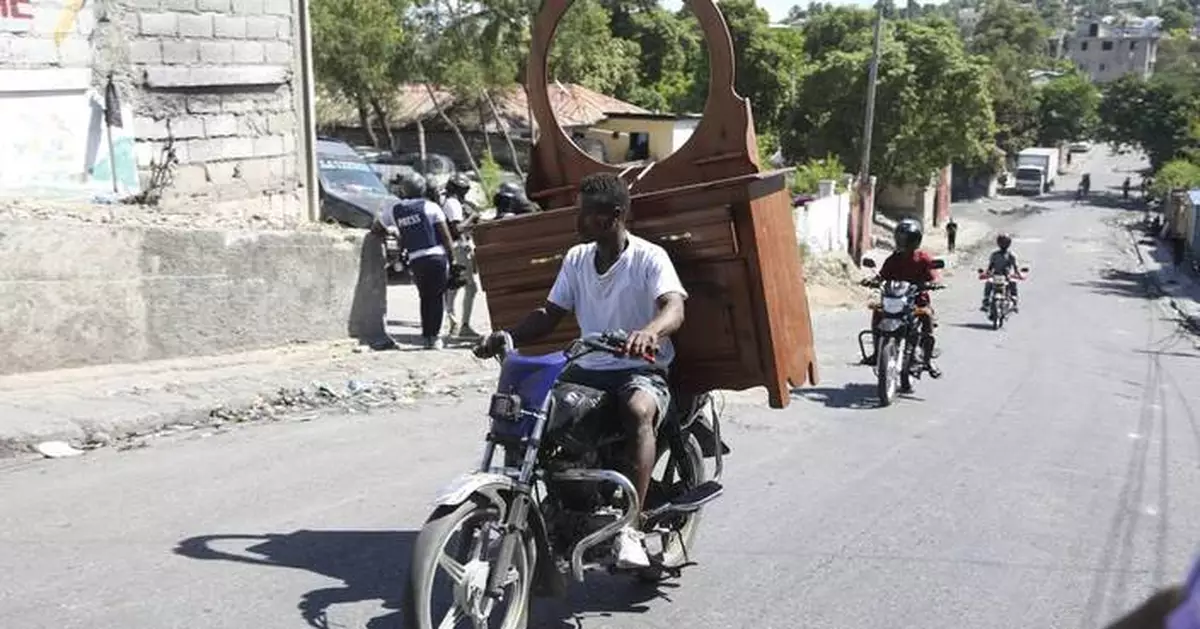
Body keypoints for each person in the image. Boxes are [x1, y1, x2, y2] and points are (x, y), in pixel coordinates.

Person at [474, 172, 687, 569]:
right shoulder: (577, 258)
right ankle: (558, 506)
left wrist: (650, 332)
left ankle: (631, 528)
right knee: (538, 415)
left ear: (614, 216)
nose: (578, 221)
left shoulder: (649, 257)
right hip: (588, 366)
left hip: (640, 368)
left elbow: (673, 306)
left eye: (587, 214)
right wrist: (508, 336)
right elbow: (549, 313)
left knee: (639, 410)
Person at [373, 172, 456, 350]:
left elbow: (376, 228)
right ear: (423, 189)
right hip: (436, 257)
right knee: (437, 297)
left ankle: (427, 336)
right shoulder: (431, 206)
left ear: (404, 190)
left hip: (416, 260)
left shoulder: (395, 210)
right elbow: (446, 237)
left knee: (425, 297)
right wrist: (454, 261)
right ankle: (434, 337)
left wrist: (393, 233)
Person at [860, 218, 942, 378]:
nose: (904, 243)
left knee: (926, 316)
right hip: (894, 300)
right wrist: (872, 280)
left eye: (908, 239)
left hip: (917, 300)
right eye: (901, 239)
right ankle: (877, 352)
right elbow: (882, 276)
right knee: (877, 312)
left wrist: (934, 283)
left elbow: (934, 275)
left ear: (916, 240)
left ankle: (927, 359)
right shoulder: (893, 259)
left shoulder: (923, 258)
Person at [441, 173, 481, 338]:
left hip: (458, 248)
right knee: (468, 287)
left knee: (455, 286)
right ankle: (461, 324)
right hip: (458, 248)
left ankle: (453, 321)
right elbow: (457, 229)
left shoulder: (451, 202)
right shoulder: (453, 204)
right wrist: (472, 216)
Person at [980, 233, 1023, 313]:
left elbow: (1015, 267)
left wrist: (1019, 275)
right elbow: (990, 267)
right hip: (996, 276)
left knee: (1013, 283)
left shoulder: (1011, 255)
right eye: (1002, 242)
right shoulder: (994, 255)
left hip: (1006, 276)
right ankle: (986, 301)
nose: (1003, 244)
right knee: (988, 283)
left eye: (1005, 242)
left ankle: (1014, 301)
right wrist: (985, 274)